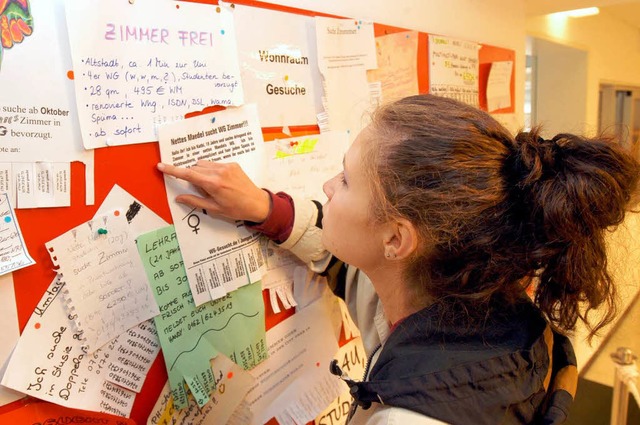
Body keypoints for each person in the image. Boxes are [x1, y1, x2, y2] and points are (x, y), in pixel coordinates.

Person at [157, 94, 640, 424]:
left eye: (344, 180)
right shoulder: (480, 301)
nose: (327, 187)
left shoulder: (409, 415)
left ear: (397, 240)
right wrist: (266, 209)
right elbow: (345, 264)